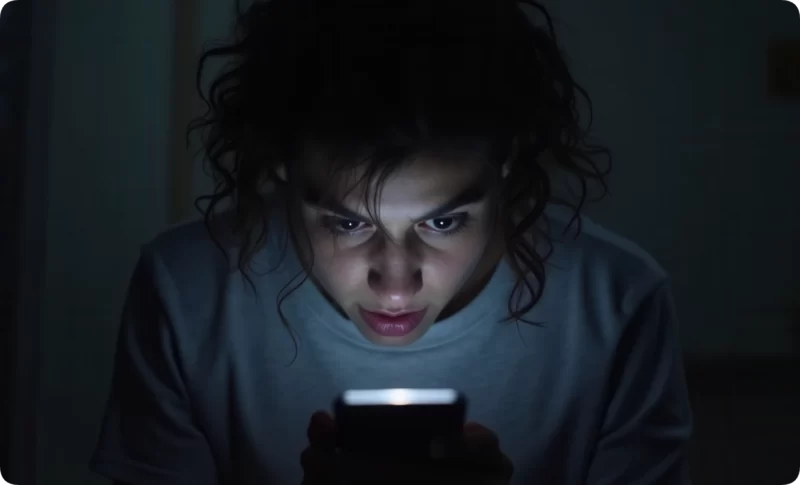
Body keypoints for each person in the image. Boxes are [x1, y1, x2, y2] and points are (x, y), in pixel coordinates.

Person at [89, 0, 693, 483]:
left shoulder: (616, 302)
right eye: (349, 223)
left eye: (443, 222)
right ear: (279, 165)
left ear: (507, 160)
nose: (397, 282)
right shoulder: (185, 290)